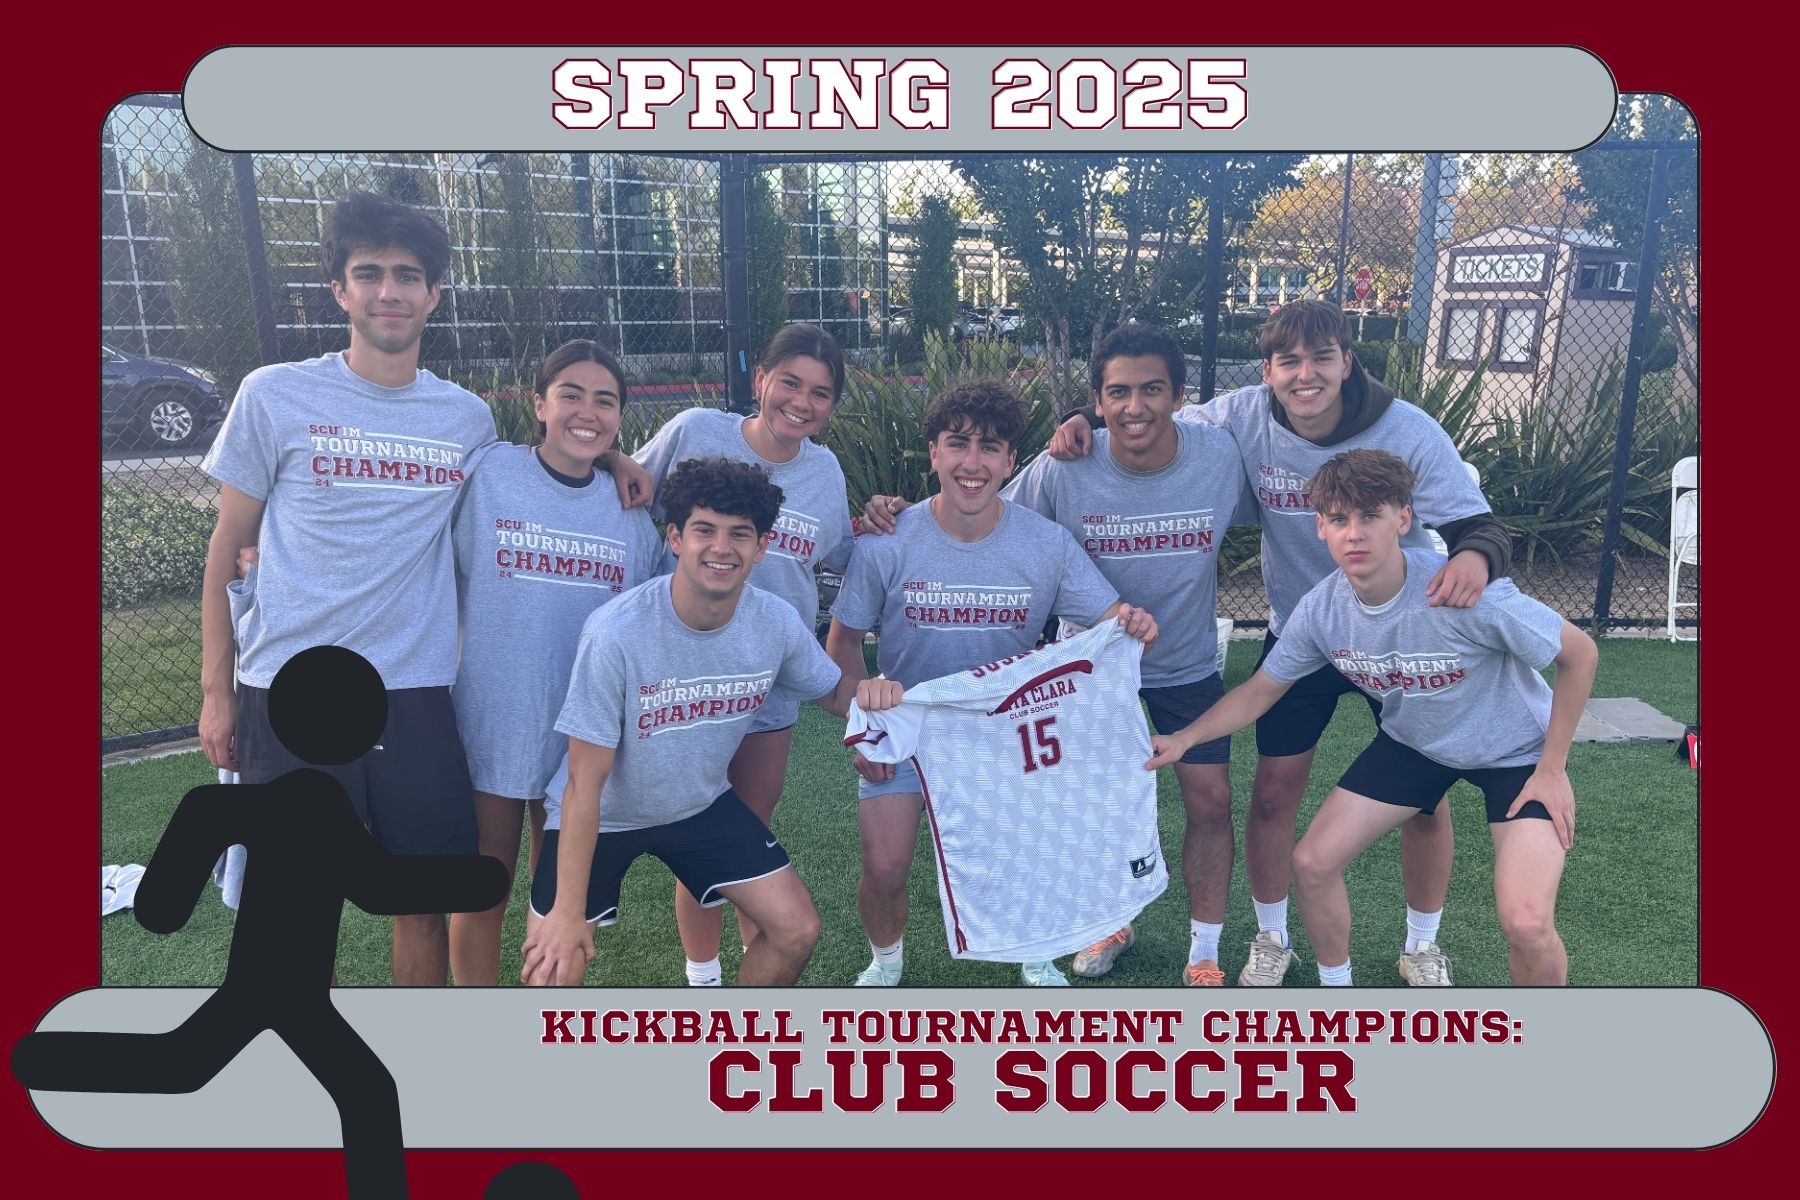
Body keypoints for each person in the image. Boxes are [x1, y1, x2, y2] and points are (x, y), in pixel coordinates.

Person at [1048, 301, 1513, 986]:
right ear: (1266, 370)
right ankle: (1271, 938)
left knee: (1426, 798)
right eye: (1289, 361)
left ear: (1346, 362)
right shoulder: (1241, 415)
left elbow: (1482, 525)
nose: (1305, 375)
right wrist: (1081, 420)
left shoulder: (1406, 429)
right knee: (1271, 794)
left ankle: (1422, 944)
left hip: (1398, 640)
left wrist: (1473, 559)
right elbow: (1146, 417)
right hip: (1303, 633)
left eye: (1321, 357)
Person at [14, 647, 508, 1199]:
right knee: (367, 1093)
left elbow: (158, 910)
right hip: (301, 1000)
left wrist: (167, 889)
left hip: (252, 988)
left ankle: (39, 1058)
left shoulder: (222, 807)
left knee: (179, 1065)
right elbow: (379, 889)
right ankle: (39, 1059)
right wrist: (482, 881)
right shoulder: (328, 812)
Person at [1146, 450, 1594, 986]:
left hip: (1516, 755)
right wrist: (1185, 738)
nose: (1354, 534)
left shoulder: (1462, 592)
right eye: (1339, 519)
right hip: (1417, 746)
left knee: (1525, 924)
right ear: (1321, 528)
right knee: (1312, 863)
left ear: (1402, 520)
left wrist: (1552, 767)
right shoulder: (1321, 610)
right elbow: (1262, 690)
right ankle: (1339, 991)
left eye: (1370, 516)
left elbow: (1580, 654)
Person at [198, 191, 499, 986]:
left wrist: (617, 460)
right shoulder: (273, 394)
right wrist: (216, 691)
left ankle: (420, 1065)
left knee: (423, 903)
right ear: (339, 290)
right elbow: (229, 543)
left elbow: (532, 481)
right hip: (292, 687)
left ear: (435, 293)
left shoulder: (466, 418)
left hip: (416, 691)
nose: (389, 291)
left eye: (408, 275)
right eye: (369, 273)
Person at [826, 381, 1158, 988]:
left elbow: (1111, 621)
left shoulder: (1045, 543)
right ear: (933, 453)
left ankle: (1035, 953)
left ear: (1010, 461)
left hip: (1006, 734)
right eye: (958, 445)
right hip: (910, 726)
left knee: (1025, 856)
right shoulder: (887, 542)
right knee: (885, 864)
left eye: (990, 448)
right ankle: (886, 963)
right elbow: (843, 643)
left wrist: (1131, 622)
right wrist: (863, 720)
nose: (972, 464)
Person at [520, 457, 861, 988]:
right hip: (606, 814)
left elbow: (834, 693)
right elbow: (584, 784)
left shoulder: (774, 621)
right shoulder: (616, 634)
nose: (722, 548)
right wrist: (567, 910)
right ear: (676, 537)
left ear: (762, 547)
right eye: (705, 530)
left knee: (796, 929)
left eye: (740, 534)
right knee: (551, 969)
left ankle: (732, 1049)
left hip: (698, 805)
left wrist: (876, 695)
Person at [608, 324, 856, 987]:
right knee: (692, 832)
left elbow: (837, 554)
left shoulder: (825, 472)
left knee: (745, 833)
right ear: (760, 380)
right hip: (681, 681)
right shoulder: (694, 431)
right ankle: (704, 976)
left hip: (768, 688)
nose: (802, 403)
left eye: (821, 393)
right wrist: (609, 457)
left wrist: (883, 515)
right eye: (791, 383)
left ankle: (752, 975)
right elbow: (626, 486)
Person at [446, 341, 663, 986]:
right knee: (482, 892)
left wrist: (617, 461)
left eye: (606, 400)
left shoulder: (633, 515)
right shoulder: (488, 474)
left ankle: (542, 1030)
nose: (587, 411)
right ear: (538, 404)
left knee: (563, 906)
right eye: (570, 394)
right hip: (492, 720)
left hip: (581, 739)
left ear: (622, 416)